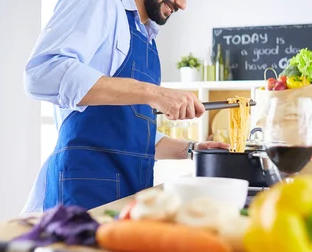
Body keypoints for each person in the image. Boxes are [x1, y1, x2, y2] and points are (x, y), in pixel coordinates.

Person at [21, 0, 228, 213]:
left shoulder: (148, 39)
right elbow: (42, 73)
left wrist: (192, 149)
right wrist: (153, 93)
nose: (182, 5)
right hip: (83, 191)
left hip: (131, 197)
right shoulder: (100, 4)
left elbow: (133, 136)